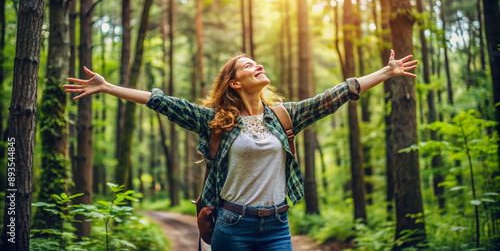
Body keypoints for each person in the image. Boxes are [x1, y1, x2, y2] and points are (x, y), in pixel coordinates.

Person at [63, 50, 417, 250]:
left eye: (256, 61)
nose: (257, 64)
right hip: (232, 226)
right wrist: (108, 88)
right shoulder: (216, 121)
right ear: (235, 82)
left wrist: (386, 73)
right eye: (247, 64)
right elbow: (163, 102)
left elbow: (336, 95)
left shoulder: (284, 115)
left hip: (277, 224)